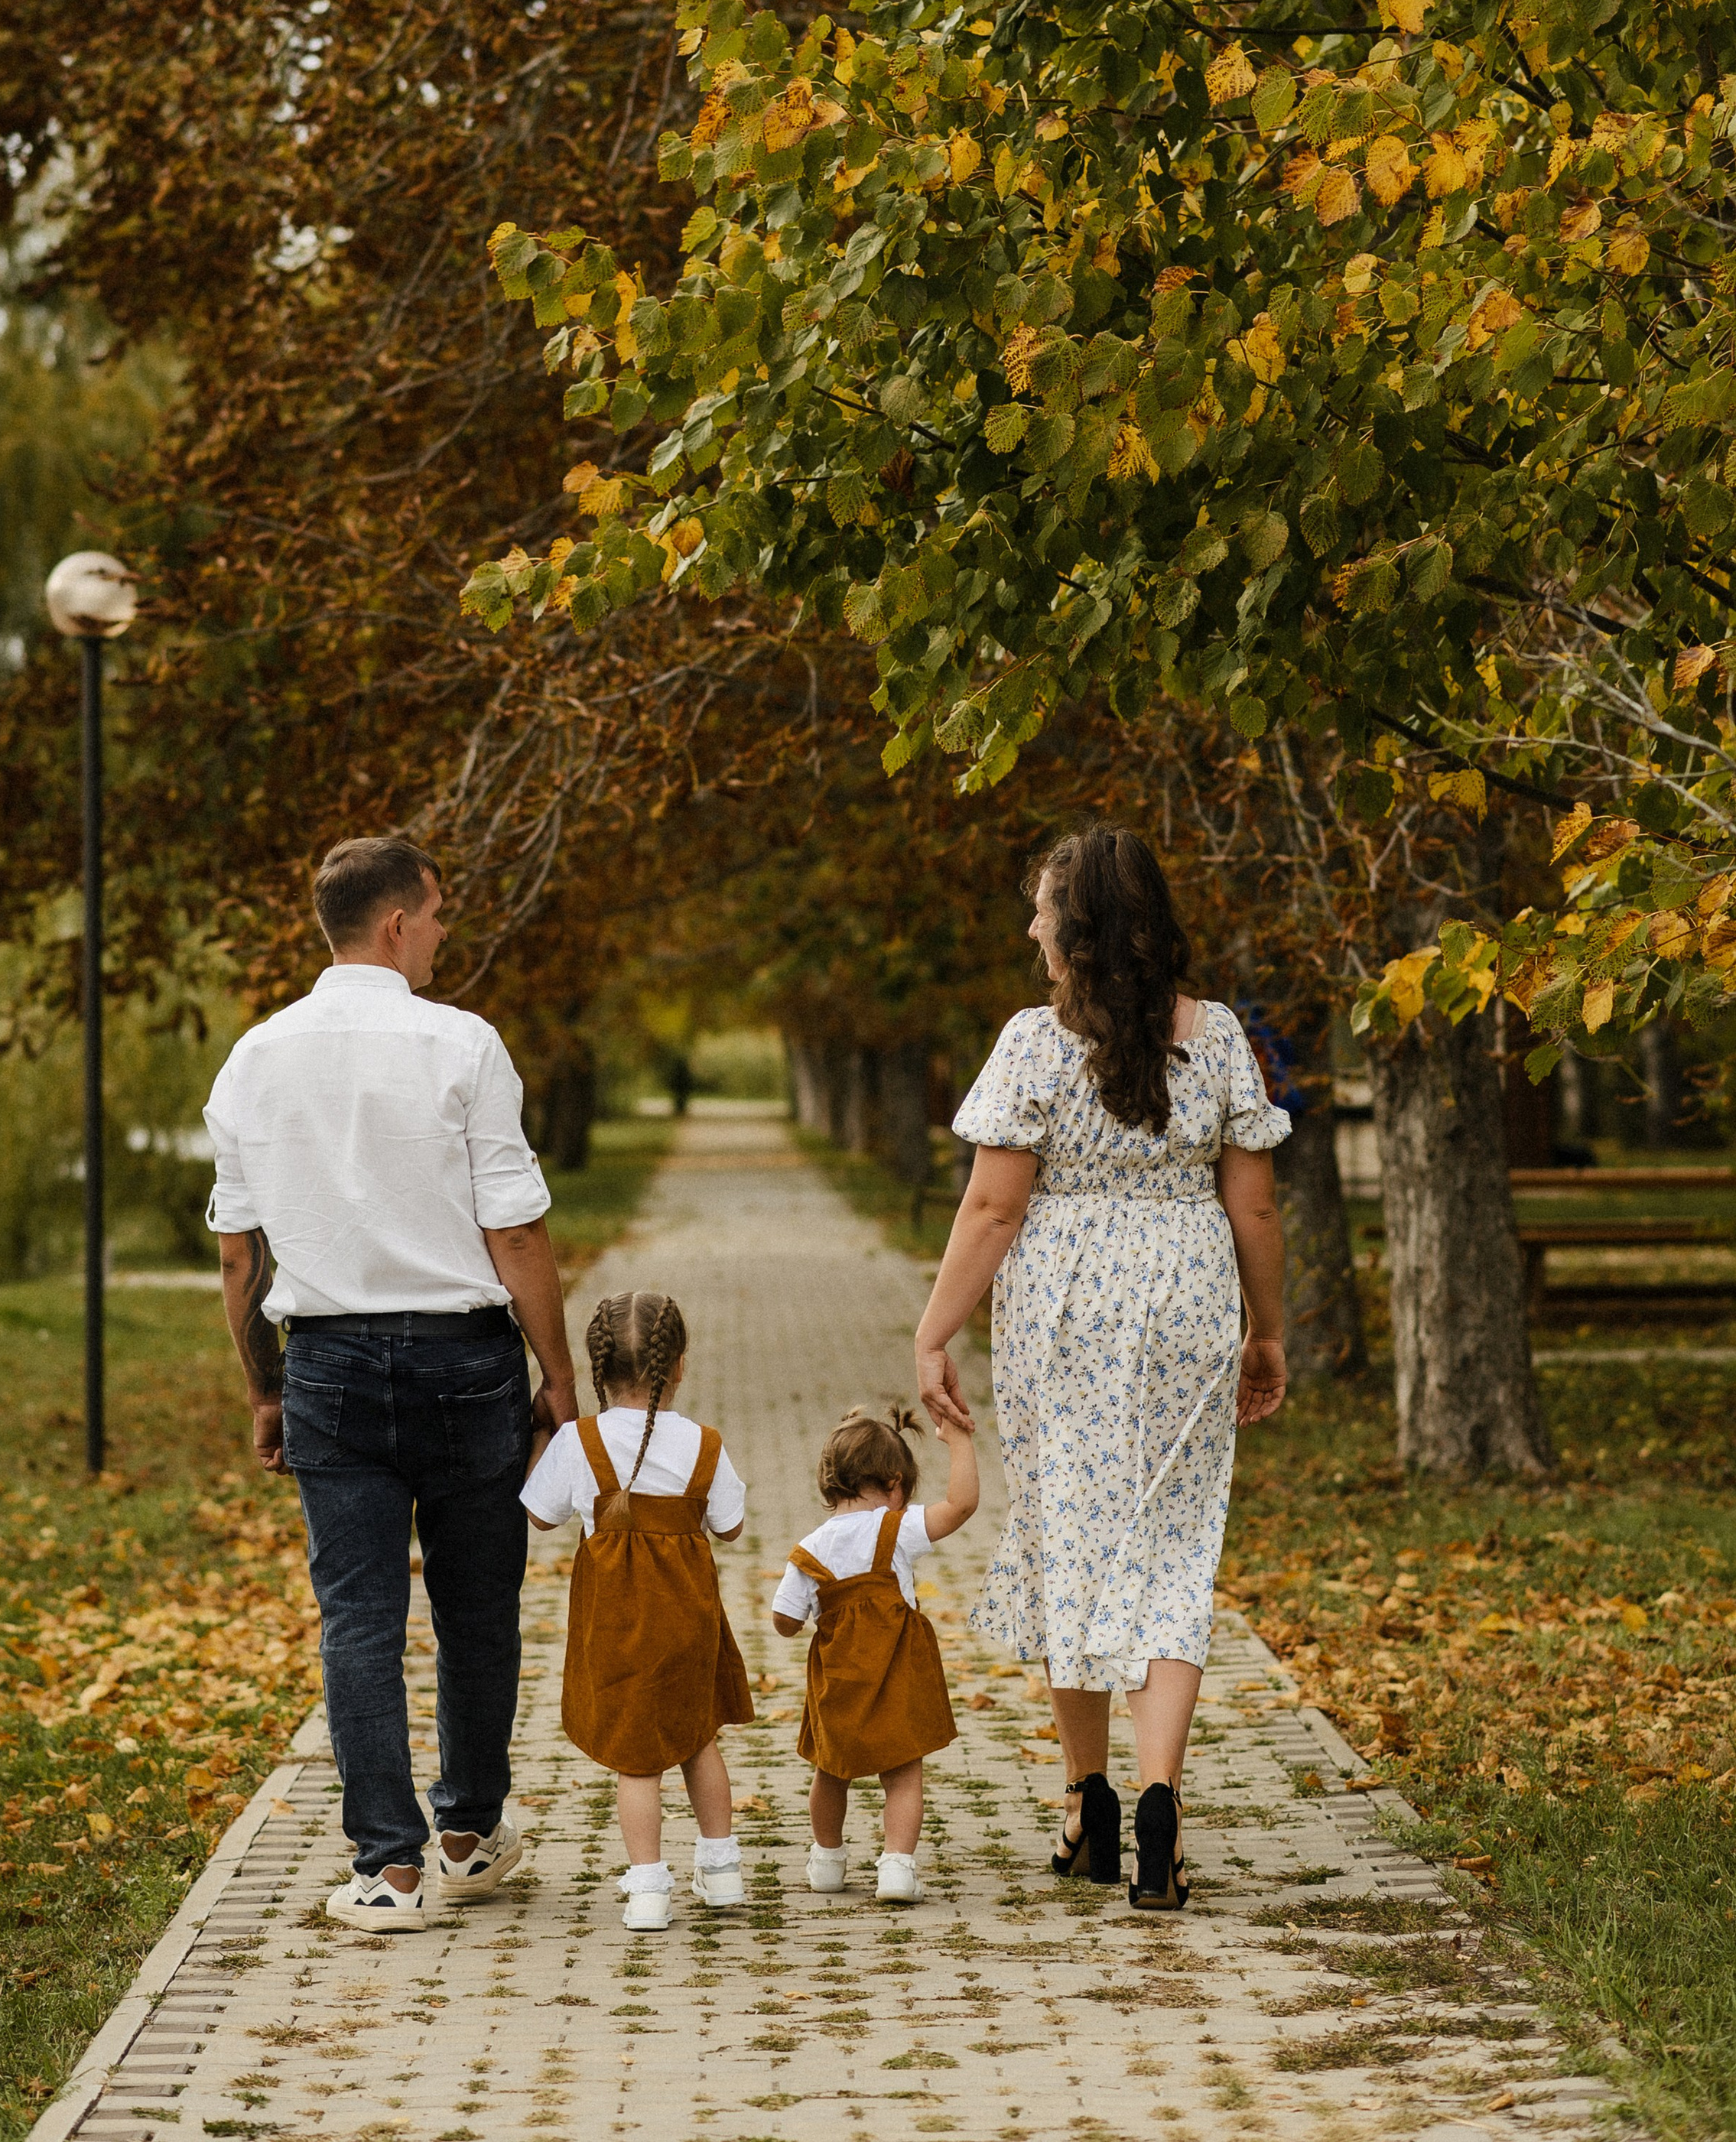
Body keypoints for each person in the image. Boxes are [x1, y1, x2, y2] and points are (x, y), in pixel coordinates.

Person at [205, 834, 580, 1931]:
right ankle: (467, 1828)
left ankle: (387, 1867)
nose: (446, 932)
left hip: (326, 1360)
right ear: (395, 925)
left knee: (357, 1615)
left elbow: (241, 1253)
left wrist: (265, 1389)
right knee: (477, 1604)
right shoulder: (464, 1043)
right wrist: (557, 1379)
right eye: (440, 912)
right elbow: (514, 1226)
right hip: (467, 1360)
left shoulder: (257, 1056)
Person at [912, 824, 1288, 1913]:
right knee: (1173, 1541)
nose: (1029, 925)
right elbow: (1253, 1201)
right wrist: (1268, 1328)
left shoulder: (1034, 1040)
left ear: (1075, 930)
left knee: (1071, 1524)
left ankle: (1089, 1800)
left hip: (1064, 1305)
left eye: (1040, 909)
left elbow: (994, 1203)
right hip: (1188, 1293)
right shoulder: (1214, 1033)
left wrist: (935, 1327)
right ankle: (1161, 1801)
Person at [523, 1289, 753, 1931]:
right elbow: (731, 1527)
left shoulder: (579, 1440)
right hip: (688, 1621)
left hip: (616, 1625)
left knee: (637, 1759)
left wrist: (544, 1436)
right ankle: (722, 1870)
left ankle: (649, 1889)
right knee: (699, 1740)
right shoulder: (703, 1442)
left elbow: (540, 1516)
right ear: (678, 1364)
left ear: (596, 1370)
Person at [771, 1403, 978, 1904]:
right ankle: (898, 1868)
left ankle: (827, 1860)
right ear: (896, 1484)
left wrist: (808, 1616)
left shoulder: (810, 1549)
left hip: (840, 1683)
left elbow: (783, 1621)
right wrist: (961, 1441)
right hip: (897, 1677)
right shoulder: (899, 1527)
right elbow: (963, 1505)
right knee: (903, 1773)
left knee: (830, 1771)